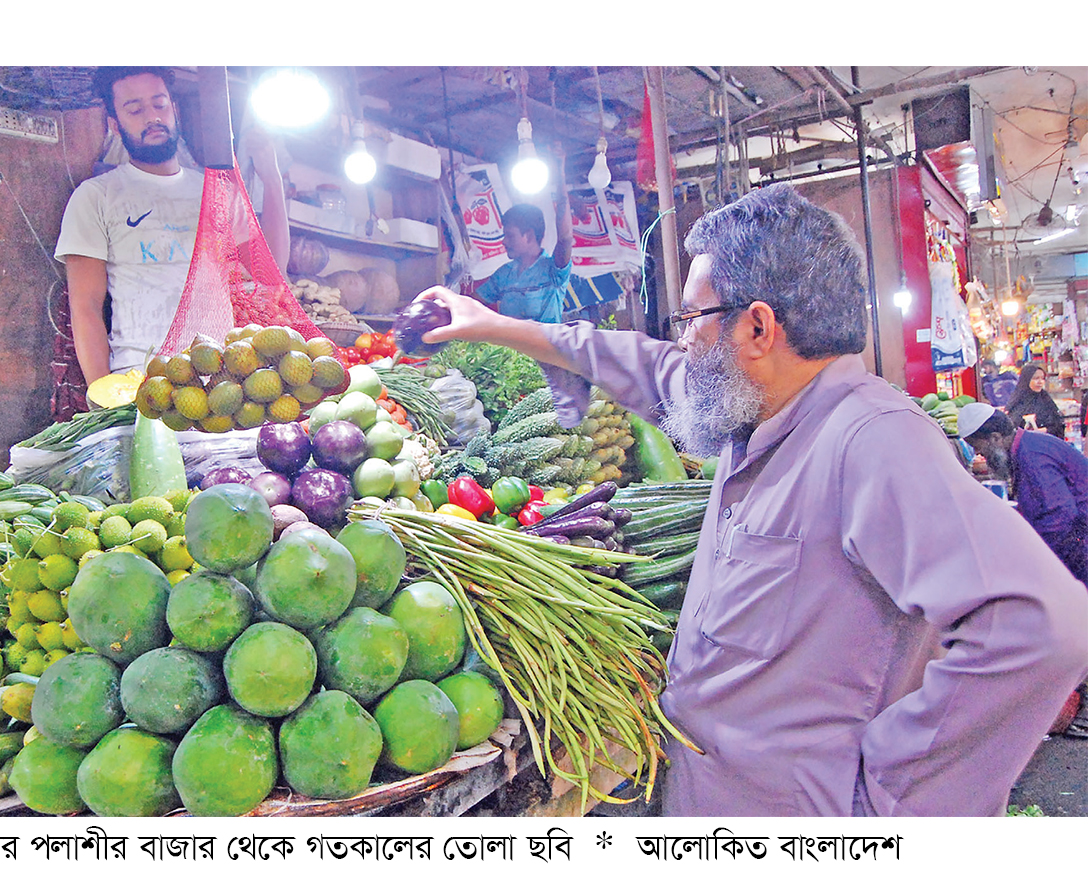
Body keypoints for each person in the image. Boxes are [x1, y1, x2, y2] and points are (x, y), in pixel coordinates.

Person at [416, 183, 1088, 816]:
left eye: (691, 316)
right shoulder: (758, 413)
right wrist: (494, 325)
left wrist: (888, 802)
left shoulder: (870, 439)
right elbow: (645, 363)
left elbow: (1040, 625)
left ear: (758, 328)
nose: (681, 337)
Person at [55, 66, 291, 383]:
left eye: (160, 104)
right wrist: (103, 396)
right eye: (135, 109)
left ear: (174, 110)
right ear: (115, 124)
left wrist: (272, 178)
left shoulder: (217, 191)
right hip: (145, 383)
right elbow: (85, 308)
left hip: (224, 379)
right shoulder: (96, 197)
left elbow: (270, 271)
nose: (152, 117)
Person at [957, 402, 1088, 585]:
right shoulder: (1026, 447)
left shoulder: (1033, 457)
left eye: (977, 445)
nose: (977, 452)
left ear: (995, 438)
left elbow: (1058, 521)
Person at [472, 148, 573, 324]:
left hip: (545, 351)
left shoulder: (553, 271)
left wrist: (560, 174)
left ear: (528, 235)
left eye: (510, 236)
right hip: (509, 352)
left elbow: (565, 239)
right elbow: (472, 303)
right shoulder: (504, 274)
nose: (504, 242)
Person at [1006, 362, 1065, 439]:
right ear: (1026, 379)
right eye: (1036, 378)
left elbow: (1058, 425)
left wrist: (1043, 430)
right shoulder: (1017, 400)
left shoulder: (1045, 399)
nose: (1040, 382)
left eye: (1042, 378)